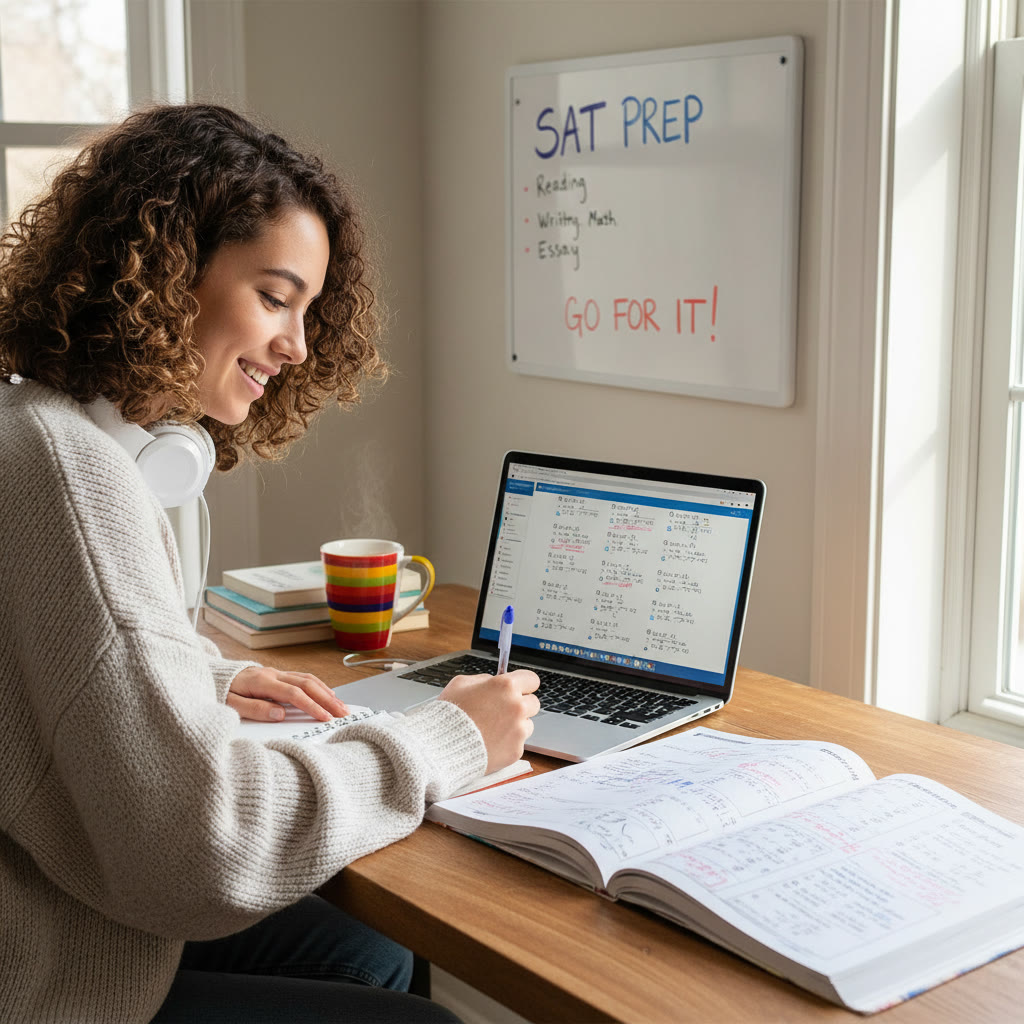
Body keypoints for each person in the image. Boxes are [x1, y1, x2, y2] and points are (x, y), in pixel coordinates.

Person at [0, 103, 540, 1024]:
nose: (295, 345)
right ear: (166, 273)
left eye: (308, 309)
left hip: (71, 901)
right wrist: (446, 738)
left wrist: (205, 677)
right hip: (51, 970)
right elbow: (198, 848)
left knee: (373, 949)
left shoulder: (41, 429)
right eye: (276, 297)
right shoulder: (71, 473)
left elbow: (52, 662)